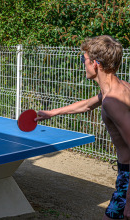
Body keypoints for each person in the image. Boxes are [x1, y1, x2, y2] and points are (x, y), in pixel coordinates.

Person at [35, 35, 130, 220]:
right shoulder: (117, 89)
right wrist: (52, 113)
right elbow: (87, 105)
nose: (82, 63)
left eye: (83, 59)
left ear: (95, 64)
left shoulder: (112, 101)